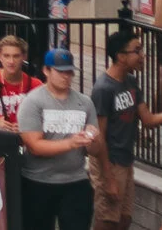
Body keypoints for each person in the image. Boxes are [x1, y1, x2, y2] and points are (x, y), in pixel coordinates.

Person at [92, 27, 162, 230]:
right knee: (107, 220)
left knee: (124, 219)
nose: (143, 56)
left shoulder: (131, 82)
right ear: (120, 56)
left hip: (126, 160)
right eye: (137, 50)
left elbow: (148, 119)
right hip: (110, 161)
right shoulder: (103, 89)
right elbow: (99, 137)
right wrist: (108, 178)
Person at [17, 48, 100, 230]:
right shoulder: (33, 101)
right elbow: (34, 146)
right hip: (38, 181)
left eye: (69, 72)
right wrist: (70, 143)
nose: (66, 76)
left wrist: (92, 138)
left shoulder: (85, 102)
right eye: (60, 71)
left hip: (75, 180)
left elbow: (95, 151)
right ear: (46, 71)